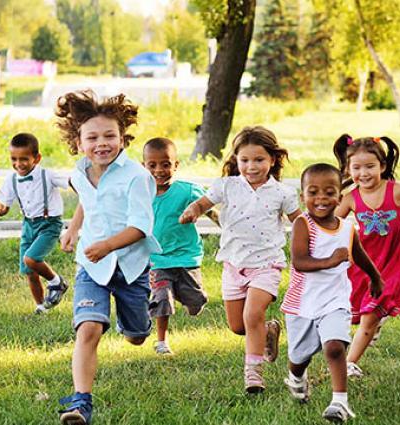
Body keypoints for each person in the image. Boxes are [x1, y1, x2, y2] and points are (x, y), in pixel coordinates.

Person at [55, 90, 161, 424]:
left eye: (110, 136)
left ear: (123, 138)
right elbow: (90, 200)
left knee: (137, 336)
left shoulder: (137, 177)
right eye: (93, 137)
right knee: (88, 330)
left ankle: (135, 321)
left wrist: (107, 246)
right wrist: (74, 228)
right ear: (78, 141)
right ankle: (81, 402)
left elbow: (141, 227)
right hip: (92, 266)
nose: (102, 143)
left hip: (130, 266)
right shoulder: (79, 173)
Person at [180, 126, 301, 393]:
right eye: (244, 160)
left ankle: (253, 375)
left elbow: (300, 222)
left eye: (259, 160)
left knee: (251, 314)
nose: (251, 166)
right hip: (234, 266)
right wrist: (192, 210)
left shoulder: (282, 193)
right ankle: (268, 330)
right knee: (238, 326)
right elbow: (203, 203)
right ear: (236, 159)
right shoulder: (228, 186)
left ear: (272, 159)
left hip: (267, 265)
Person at [281, 163, 382, 422]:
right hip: (302, 304)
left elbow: (358, 254)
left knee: (335, 347)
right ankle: (296, 376)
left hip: (335, 301)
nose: (321, 199)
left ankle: (340, 403)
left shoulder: (347, 228)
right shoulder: (303, 224)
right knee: (298, 356)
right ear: (302, 196)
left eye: (329, 192)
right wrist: (330, 261)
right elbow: (300, 262)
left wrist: (375, 277)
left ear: (340, 196)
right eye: (313, 192)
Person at [333, 135, 400, 377]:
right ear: (348, 169)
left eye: (370, 166)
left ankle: (349, 362)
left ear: (382, 166)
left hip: (395, 259)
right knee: (360, 308)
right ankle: (374, 324)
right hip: (365, 260)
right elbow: (334, 224)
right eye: (357, 167)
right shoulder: (350, 198)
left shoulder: (397, 191)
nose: (364, 173)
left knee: (370, 312)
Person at [143, 137, 213, 355]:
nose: (159, 170)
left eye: (165, 164)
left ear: (176, 165)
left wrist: (227, 227)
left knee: (195, 300)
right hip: (158, 259)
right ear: (143, 166)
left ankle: (190, 299)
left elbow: (210, 209)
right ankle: (161, 341)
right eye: (152, 165)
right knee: (161, 297)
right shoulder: (140, 194)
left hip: (186, 257)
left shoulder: (188, 191)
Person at [0, 133, 69, 314]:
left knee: (31, 259)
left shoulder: (47, 175)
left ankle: (56, 282)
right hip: (28, 225)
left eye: (24, 159)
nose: (18, 164)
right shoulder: (12, 179)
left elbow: (69, 181)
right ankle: (41, 307)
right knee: (29, 271)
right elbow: (3, 206)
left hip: (49, 224)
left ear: (37, 158)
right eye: (14, 159)